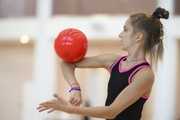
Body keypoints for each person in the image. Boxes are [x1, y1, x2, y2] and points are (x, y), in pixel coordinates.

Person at [37, 7, 169, 120]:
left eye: (125, 29)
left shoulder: (144, 74)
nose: (120, 34)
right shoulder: (113, 61)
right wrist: (75, 86)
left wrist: (69, 109)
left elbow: (111, 112)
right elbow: (66, 63)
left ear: (138, 37)